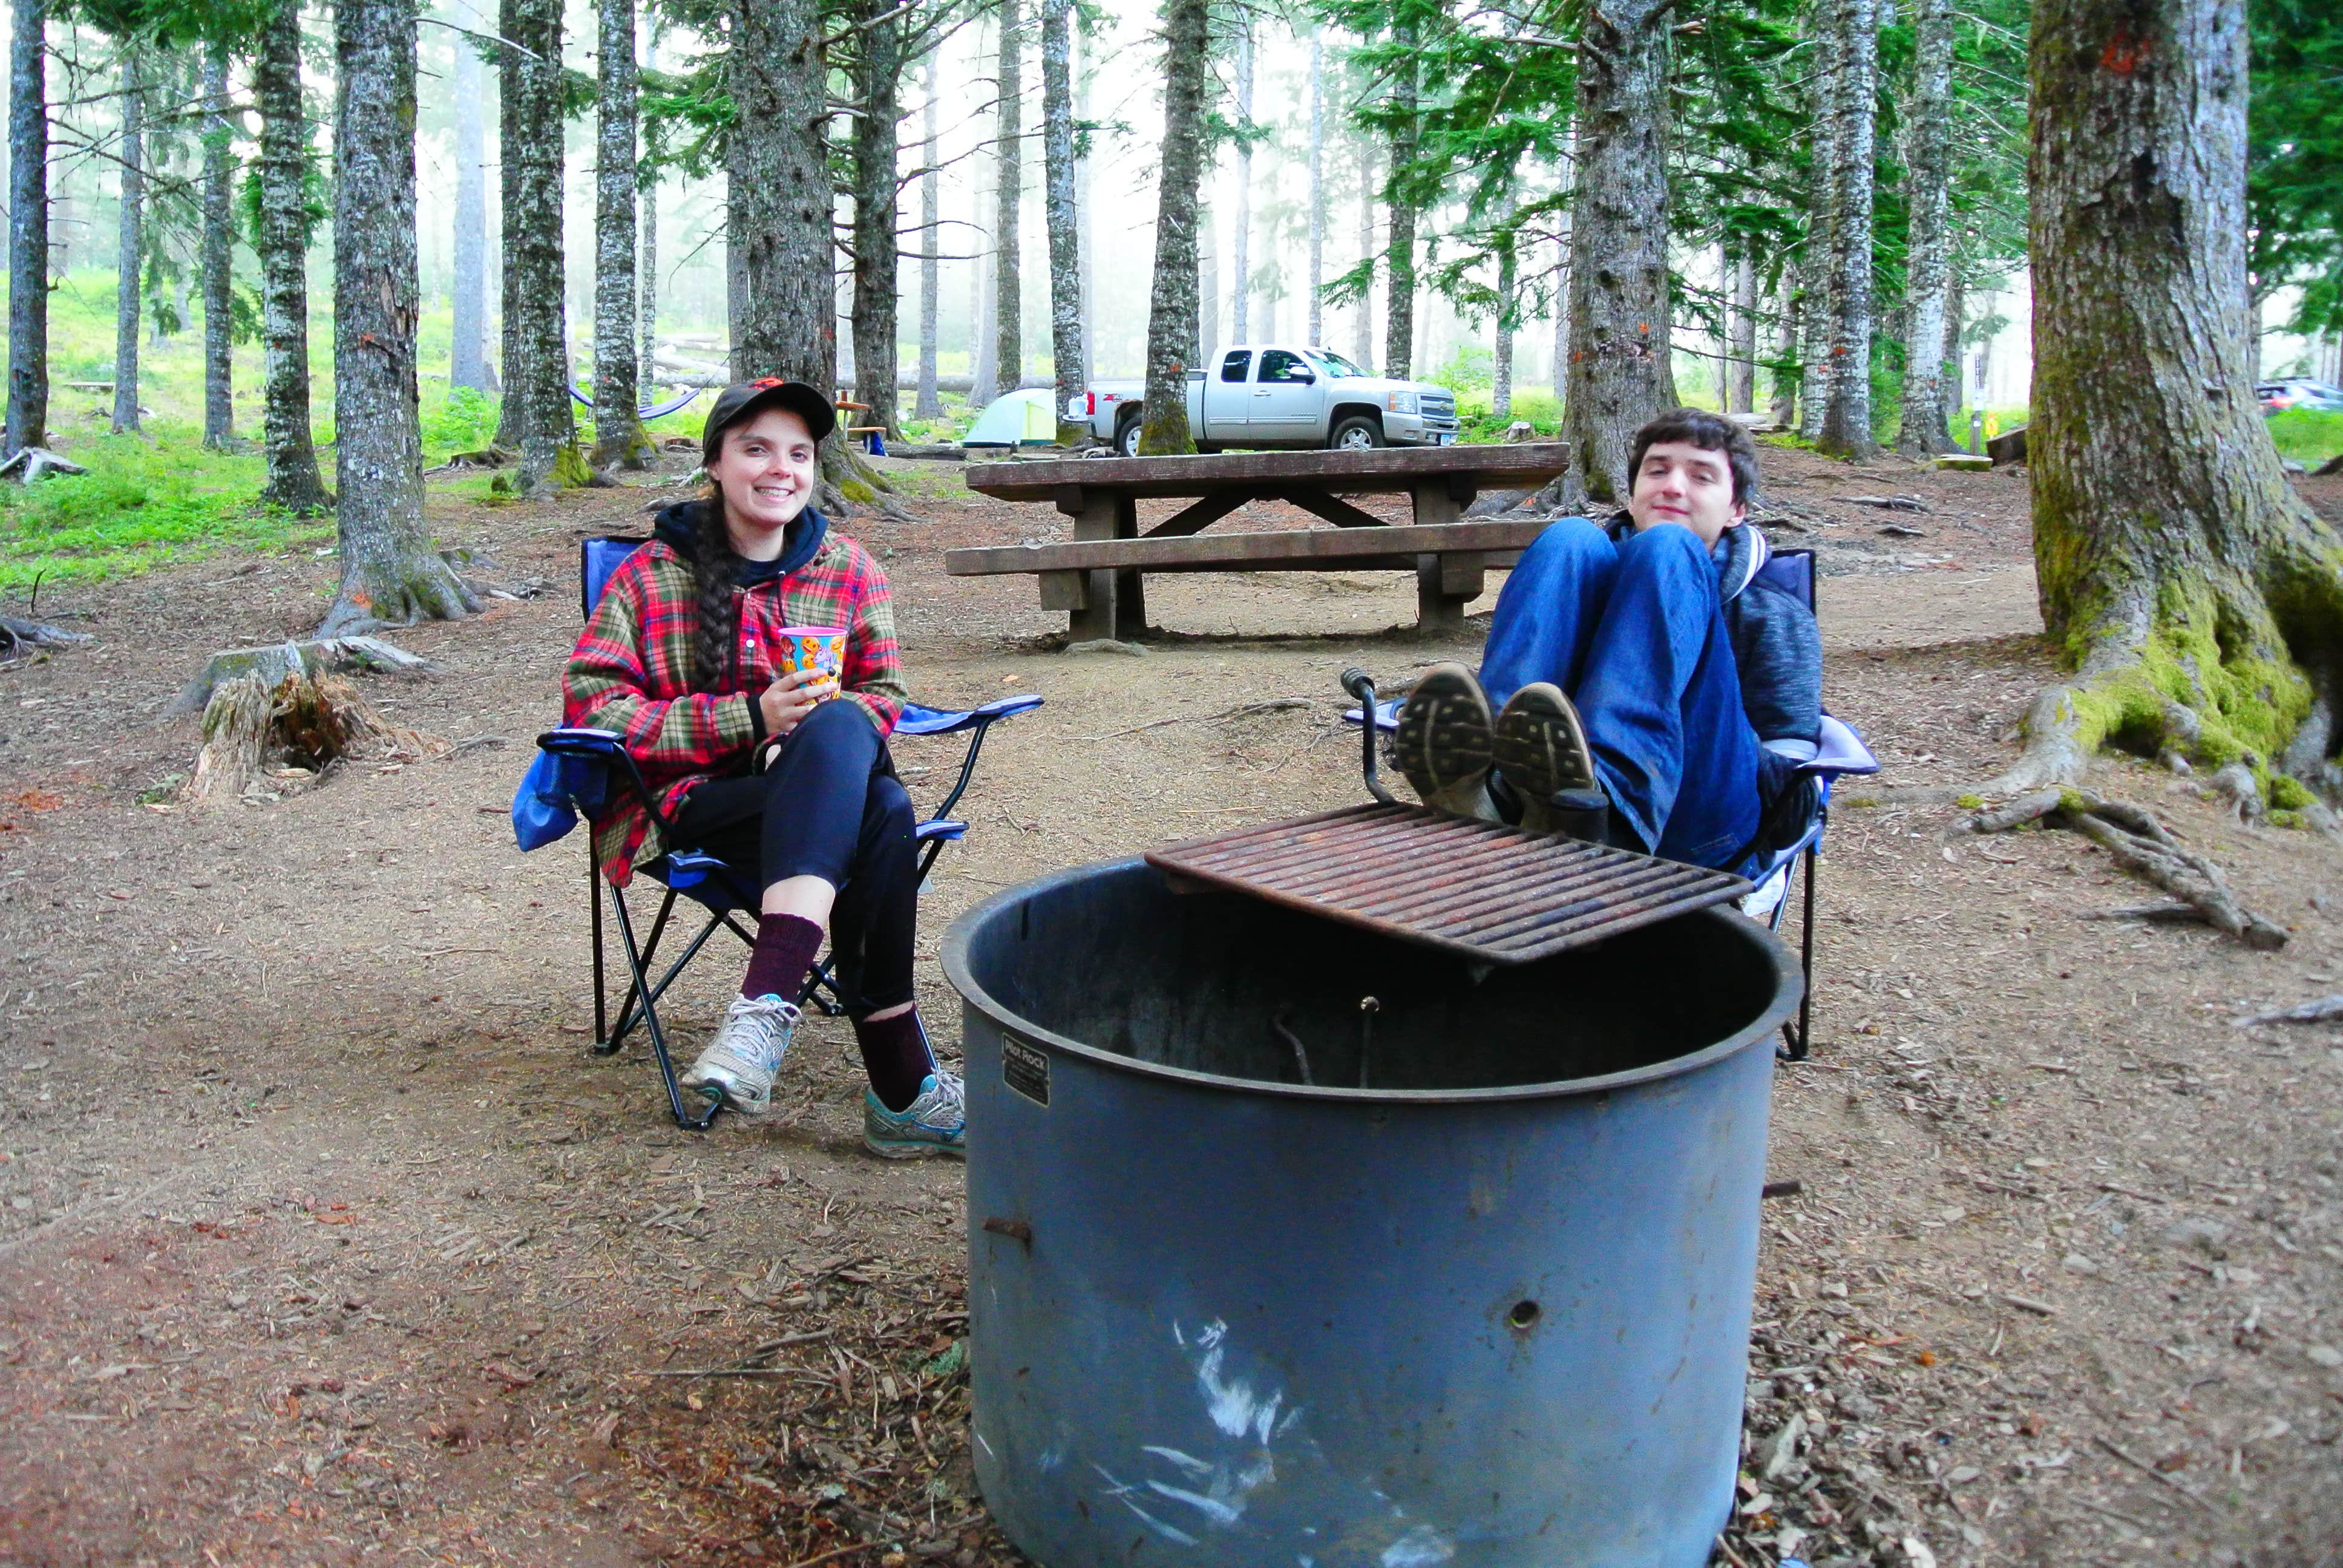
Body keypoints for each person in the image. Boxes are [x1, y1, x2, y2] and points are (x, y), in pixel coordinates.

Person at [563, 378, 963, 1158]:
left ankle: (765, 1006)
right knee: (879, 811)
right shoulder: (649, 576)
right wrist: (750, 722)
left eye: (798, 453)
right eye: (755, 449)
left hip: (812, 803)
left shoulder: (849, 569)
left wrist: (801, 746)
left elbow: (883, 694)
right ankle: (902, 1088)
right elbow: (592, 707)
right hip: (685, 804)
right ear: (714, 463)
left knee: (856, 749)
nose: (779, 468)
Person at [1395, 408, 1823, 875]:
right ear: (1634, 491)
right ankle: (1490, 789)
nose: (1673, 486)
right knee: (1570, 537)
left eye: (1702, 476)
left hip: (1703, 827)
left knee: (1668, 549)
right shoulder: (1579, 577)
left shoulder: (1770, 612)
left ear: (1737, 509)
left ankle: (1610, 808)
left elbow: (1795, 798)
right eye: (1657, 470)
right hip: (1536, 809)